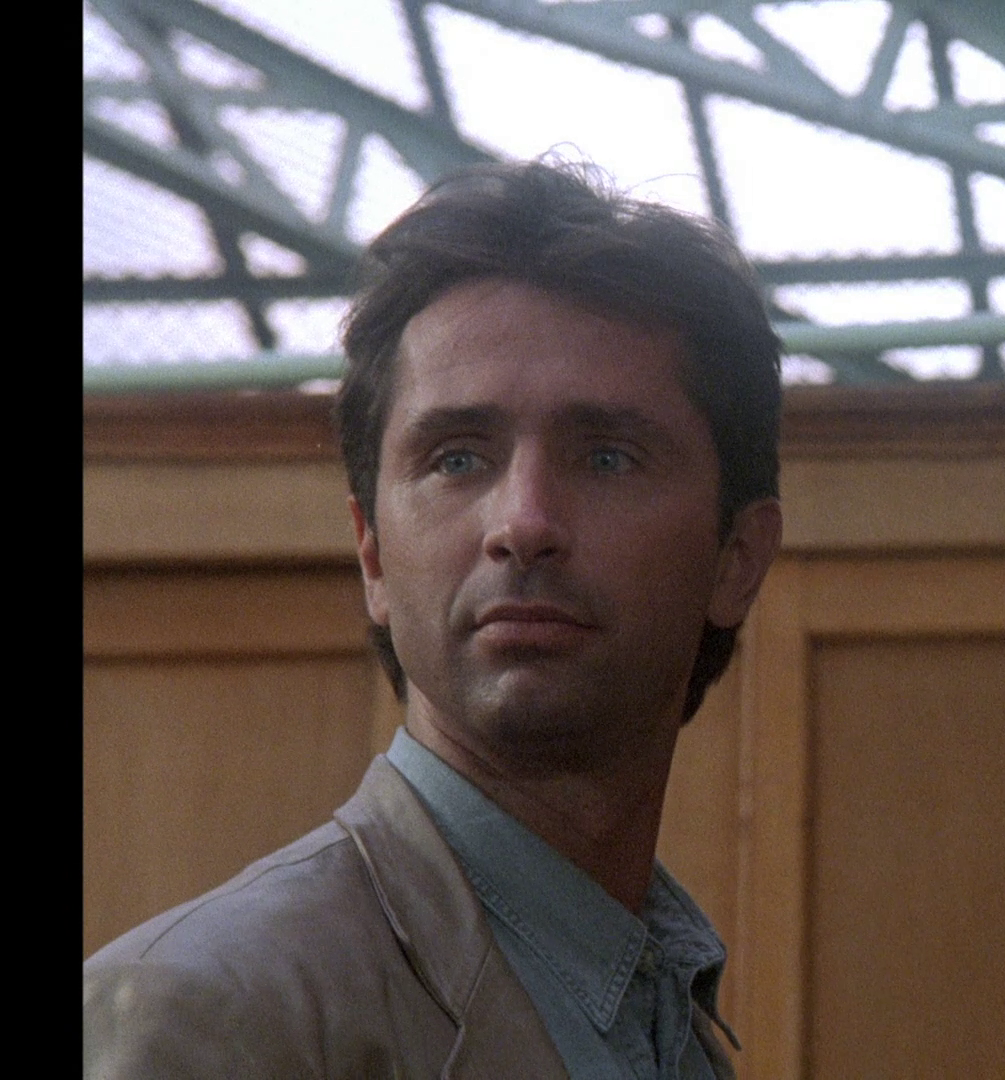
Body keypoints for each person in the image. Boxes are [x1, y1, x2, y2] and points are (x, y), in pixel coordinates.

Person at [83, 159, 784, 1078]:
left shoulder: (671, 1025)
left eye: (608, 457)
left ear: (736, 560)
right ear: (372, 554)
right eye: (457, 459)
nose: (523, 523)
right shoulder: (198, 1013)